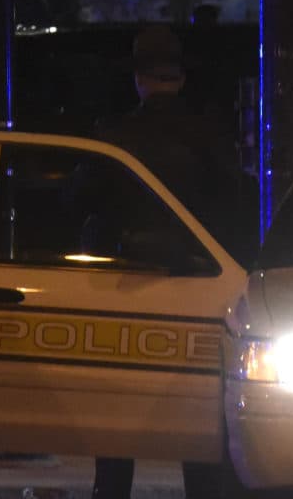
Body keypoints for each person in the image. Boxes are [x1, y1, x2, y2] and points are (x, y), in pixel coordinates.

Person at [88, 25, 251, 499]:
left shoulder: (112, 136)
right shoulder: (212, 136)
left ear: (138, 79)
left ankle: (111, 490)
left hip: (121, 287)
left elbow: (80, 198)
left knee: (118, 408)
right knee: (195, 408)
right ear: (180, 78)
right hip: (198, 284)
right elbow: (237, 209)